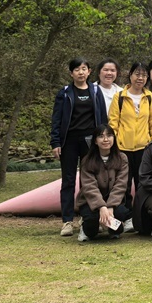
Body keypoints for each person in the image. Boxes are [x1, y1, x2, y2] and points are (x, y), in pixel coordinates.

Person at [50, 57, 108, 237]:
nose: (81, 72)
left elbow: (103, 118)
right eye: (77, 69)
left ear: (89, 71)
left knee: (89, 181)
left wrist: (103, 139)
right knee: (68, 181)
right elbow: (56, 119)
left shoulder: (96, 91)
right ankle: (67, 221)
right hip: (69, 142)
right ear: (71, 73)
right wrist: (55, 142)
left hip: (90, 142)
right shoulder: (65, 93)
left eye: (84, 69)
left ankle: (87, 217)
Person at [108, 62, 152, 215]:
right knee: (122, 184)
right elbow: (113, 124)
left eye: (144, 75)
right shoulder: (119, 97)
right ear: (130, 75)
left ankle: (141, 214)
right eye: (137, 74)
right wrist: (114, 146)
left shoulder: (149, 97)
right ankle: (126, 215)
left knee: (142, 183)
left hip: (144, 148)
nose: (140, 78)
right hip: (122, 148)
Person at [75, 124, 131, 242]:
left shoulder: (122, 158)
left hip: (113, 201)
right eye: (101, 136)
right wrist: (101, 207)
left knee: (120, 216)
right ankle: (86, 228)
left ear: (114, 138)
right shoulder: (87, 160)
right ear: (95, 141)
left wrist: (110, 206)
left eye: (109, 135)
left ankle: (113, 229)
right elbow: (89, 187)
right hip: (90, 202)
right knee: (91, 226)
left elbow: (120, 185)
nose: (106, 139)